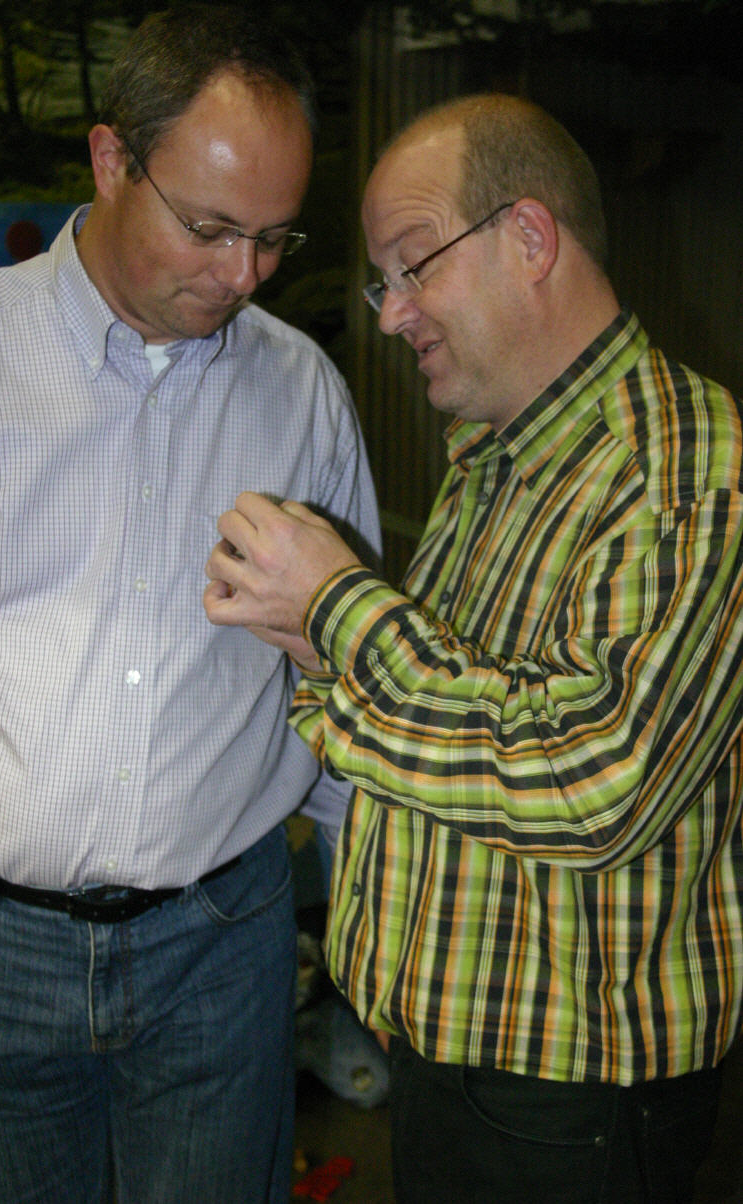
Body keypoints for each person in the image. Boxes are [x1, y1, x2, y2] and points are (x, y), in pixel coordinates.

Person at [204, 93, 743, 1203]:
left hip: (567, 1106)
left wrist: (341, 607)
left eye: (412, 265)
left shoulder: (683, 467)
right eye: (381, 282)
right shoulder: (495, 455)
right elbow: (447, 721)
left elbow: (596, 781)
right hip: (454, 1063)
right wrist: (313, 647)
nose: (391, 314)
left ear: (529, 237)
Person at [0, 8, 379, 1204]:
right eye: (209, 227)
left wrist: (359, 911)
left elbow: (342, 674)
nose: (242, 275)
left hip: (224, 946)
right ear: (110, 160)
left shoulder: (301, 392)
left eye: (273, 238)